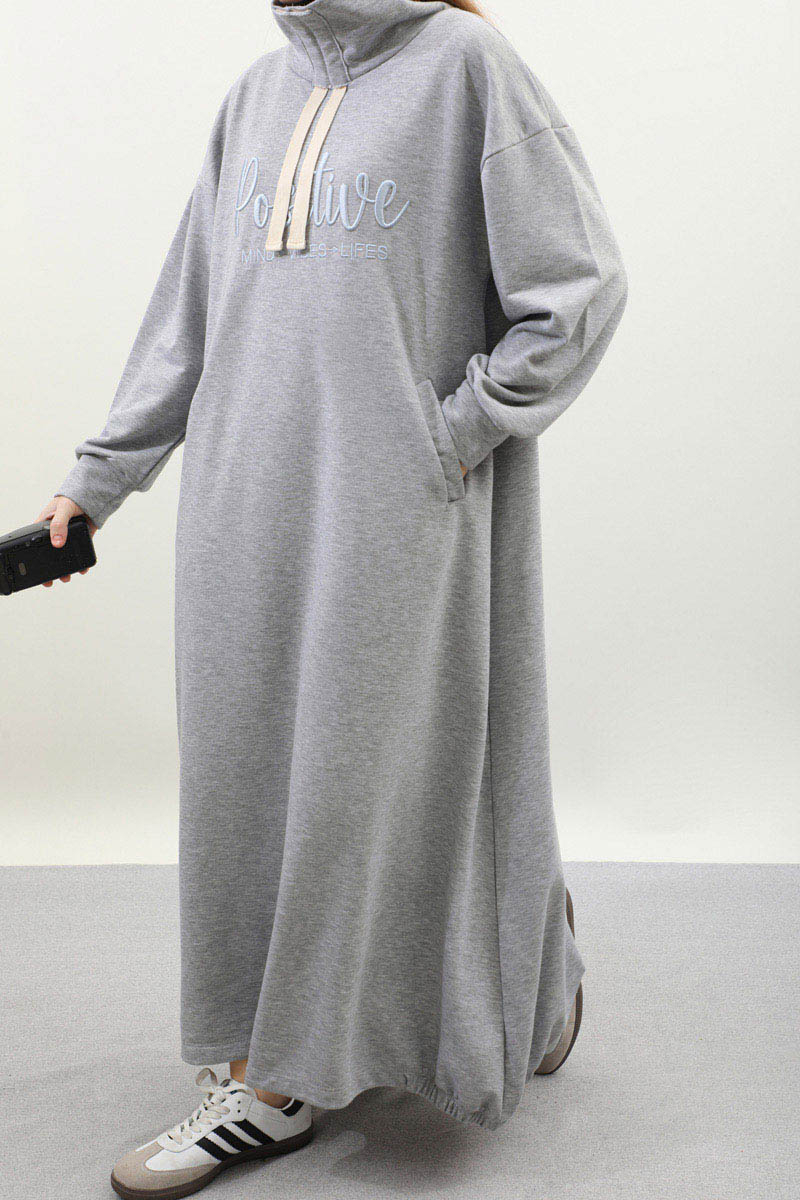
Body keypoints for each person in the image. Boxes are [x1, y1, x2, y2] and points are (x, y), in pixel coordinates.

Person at [41, 0, 627, 1195]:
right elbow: (186, 319)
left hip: (393, 511)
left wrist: (447, 436)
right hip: (238, 506)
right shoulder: (255, 96)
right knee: (243, 777)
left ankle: (284, 1080)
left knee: (358, 784)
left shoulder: (464, 66)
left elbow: (575, 289)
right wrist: (98, 479)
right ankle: (480, 982)